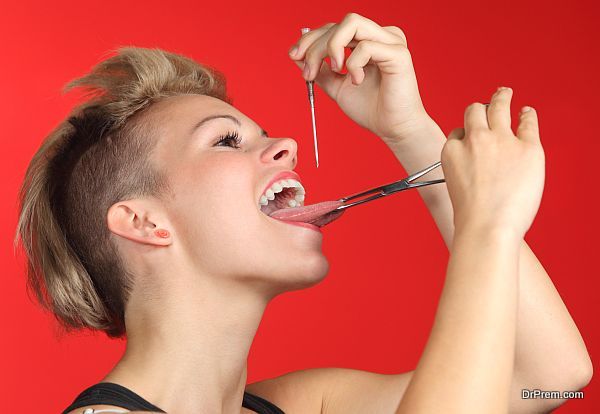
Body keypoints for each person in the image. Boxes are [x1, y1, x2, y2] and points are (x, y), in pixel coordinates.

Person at [14, 12, 591, 414]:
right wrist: (486, 226)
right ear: (144, 223)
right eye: (224, 141)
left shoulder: (306, 404)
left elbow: (548, 383)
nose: (286, 145)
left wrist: (413, 133)